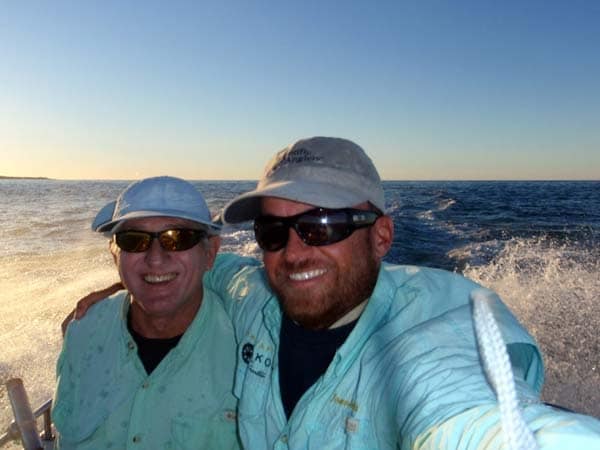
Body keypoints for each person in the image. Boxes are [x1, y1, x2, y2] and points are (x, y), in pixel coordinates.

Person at [74, 138, 600, 449]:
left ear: (382, 236)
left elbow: (466, 415)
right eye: (273, 232)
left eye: (322, 226)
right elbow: (198, 267)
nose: (294, 252)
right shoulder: (254, 295)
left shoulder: (433, 324)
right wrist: (130, 281)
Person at [53, 176, 241, 449]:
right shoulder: (82, 330)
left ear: (210, 253)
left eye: (178, 238)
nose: (155, 258)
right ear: (115, 255)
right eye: (133, 240)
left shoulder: (248, 344)